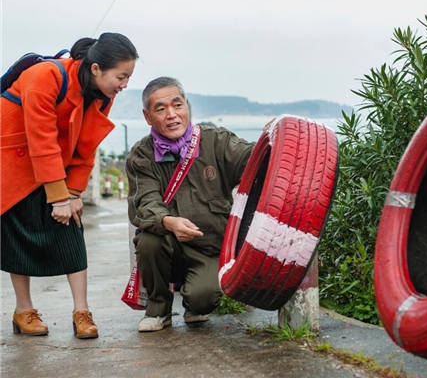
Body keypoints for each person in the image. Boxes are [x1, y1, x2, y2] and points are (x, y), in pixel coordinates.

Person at [1, 33, 138, 339]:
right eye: (121, 76)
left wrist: (73, 194)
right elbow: (41, 139)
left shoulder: (103, 95)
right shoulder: (45, 76)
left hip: (52, 162)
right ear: (96, 69)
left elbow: (87, 146)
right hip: (12, 158)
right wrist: (59, 198)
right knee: (17, 239)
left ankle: (82, 310)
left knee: (72, 235)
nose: (124, 84)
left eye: (128, 77)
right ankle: (24, 310)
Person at [126, 77, 253, 332]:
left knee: (203, 299)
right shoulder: (141, 155)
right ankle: (158, 309)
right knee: (149, 241)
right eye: (160, 109)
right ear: (148, 116)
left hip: (208, 247)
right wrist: (168, 222)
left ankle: (194, 302)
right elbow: (144, 203)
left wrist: (272, 141)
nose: (172, 115)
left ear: (188, 106)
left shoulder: (216, 141)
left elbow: (252, 159)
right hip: (168, 244)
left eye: (177, 105)